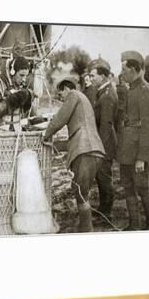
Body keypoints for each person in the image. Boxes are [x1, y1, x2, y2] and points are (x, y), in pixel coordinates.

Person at [43, 78, 105, 232]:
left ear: (66, 89)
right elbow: (76, 134)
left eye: (60, 94)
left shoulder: (73, 95)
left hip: (86, 150)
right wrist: (55, 145)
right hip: (93, 150)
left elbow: (60, 119)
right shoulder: (82, 99)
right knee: (82, 190)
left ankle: (86, 228)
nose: (60, 99)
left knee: (80, 191)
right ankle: (85, 226)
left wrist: (46, 134)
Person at [117, 50, 149, 231]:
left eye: (124, 71)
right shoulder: (131, 89)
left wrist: (142, 157)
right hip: (127, 149)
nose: (121, 74)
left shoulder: (145, 91)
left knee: (142, 187)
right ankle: (135, 225)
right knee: (127, 186)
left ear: (134, 70)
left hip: (138, 151)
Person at [90, 65, 119, 225]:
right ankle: (103, 209)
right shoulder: (103, 92)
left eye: (94, 75)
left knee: (104, 178)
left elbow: (106, 125)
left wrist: (99, 146)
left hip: (105, 143)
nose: (91, 78)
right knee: (101, 178)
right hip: (104, 142)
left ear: (103, 76)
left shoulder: (107, 95)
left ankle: (107, 214)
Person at [0, 55, 33, 128]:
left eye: (25, 76)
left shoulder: (20, 85)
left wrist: (28, 100)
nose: (24, 79)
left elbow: (23, 113)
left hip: (17, 130)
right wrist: (12, 100)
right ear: (12, 72)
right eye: (21, 75)